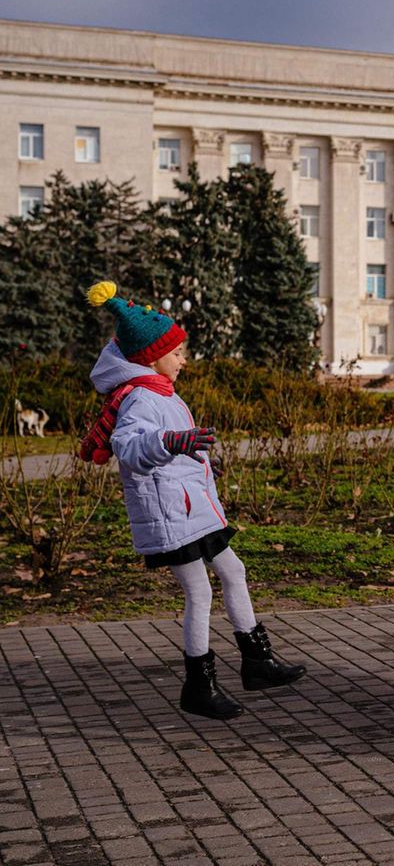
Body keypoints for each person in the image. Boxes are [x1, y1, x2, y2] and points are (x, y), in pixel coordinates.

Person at [81, 281, 306, 720]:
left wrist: (198, 460)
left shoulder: (163, 393)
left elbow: (173, 448)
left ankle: (257, 661)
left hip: (192, 506)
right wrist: (173, 441)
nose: (184, 360)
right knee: (199, 591)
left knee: (234, 572)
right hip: (169, 514)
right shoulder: (140, 398)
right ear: (152, 356)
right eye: (178, 352)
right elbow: (130, 447)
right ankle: (198, 687)